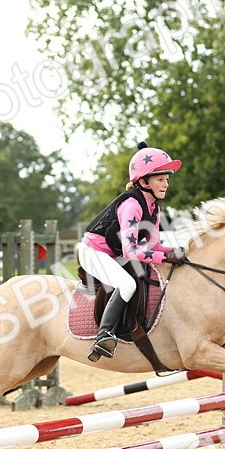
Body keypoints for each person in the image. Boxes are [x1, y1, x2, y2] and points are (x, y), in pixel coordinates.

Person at [77, 141, 186, 361]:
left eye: (166, 179)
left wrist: (174, 252)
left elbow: (154, 246)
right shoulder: (132, 205)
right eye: (160, 179)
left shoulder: (154, 208)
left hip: (114, 253)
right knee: (127, 284)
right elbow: (131, 250)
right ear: (144, 181)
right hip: (93, 252)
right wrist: (164, 256)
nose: (166, 184)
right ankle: (104, 334)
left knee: (146, 274)